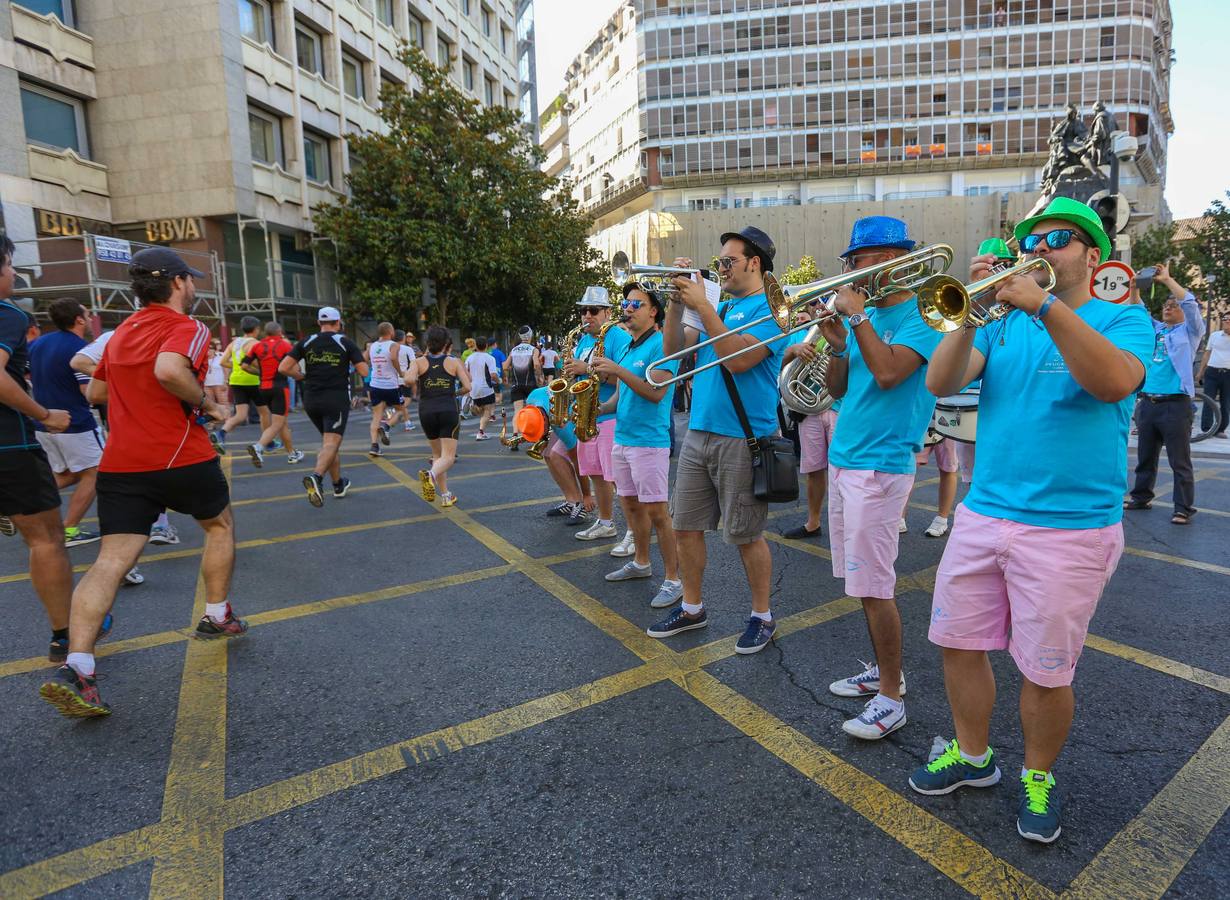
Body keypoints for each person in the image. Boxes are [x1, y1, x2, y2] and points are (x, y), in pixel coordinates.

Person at [909, 196, 1153, 844]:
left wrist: (1044, 307)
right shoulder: (1001, 322)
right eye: (1032, 239)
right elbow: (940, 381)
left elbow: (1113, 382)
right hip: (985, 512)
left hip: (1071, 527)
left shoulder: (1123, 319)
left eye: (1059, 239)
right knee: (958, 643)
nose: (1041, 247)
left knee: (1046, 669)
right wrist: (970, 315)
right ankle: (972, 754)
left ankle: (1038, 776)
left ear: (1092, 255)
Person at [39, 247, 249, 718]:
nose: (194, 288)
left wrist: (136, 393)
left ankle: (78, 666)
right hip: (180, 454)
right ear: (176, 283)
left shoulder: (120, 333)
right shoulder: (186, 327)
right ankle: (217, 616)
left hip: (122, 461)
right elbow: (169, 370)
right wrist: (208, 407)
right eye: (190, 281)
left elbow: (95, 391)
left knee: (110, 560)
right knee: (219, 527)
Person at [817, 216, 943, 739]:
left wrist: (859, 320)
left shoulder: (925, 315)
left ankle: (892, 694)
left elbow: (892, 373)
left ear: (897, 261)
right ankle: (881, 672)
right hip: (847, 456)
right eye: (854, 262)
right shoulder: (857, 321)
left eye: (861, 262)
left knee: (876, 585)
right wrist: (837, 343)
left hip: (882, 464)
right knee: (859, 582)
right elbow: (837, 389)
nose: (853, 272)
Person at [648, 225, 786, 654]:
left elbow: (742, 359)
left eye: (728, 261)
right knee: (685, 526)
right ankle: (692, 607)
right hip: (700, 433)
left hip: (743, 437)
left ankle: (762, 616)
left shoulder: (774, 309)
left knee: (746, 535)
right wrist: (675, 305)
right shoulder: (720, 304)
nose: (721, 268)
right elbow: (672, 353)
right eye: (720, 261)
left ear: (754, 263)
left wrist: (705, 307)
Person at [0, 237, 82, 664]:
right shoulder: (7, 314)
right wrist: (43, 414)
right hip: (9, 444)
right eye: (11, 265)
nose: (13, 274)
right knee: (47, 539)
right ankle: (65, 636)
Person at [590, 284, 682, 609]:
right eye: (626, 303)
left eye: (636, 304)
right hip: (624, 439)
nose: (627, 309)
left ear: (654, 310)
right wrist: (595, 410)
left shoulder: (663, 345)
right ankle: (641, 563)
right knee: (629, 506)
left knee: (658, 513)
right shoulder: (629, 347)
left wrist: (616, 369)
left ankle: (674, 579)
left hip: (649, 443)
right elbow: (621, 396)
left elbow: (655, 392)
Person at [71, 329, 176, 550]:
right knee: (158, 472)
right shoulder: (170, 331)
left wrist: (116, 380)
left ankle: (131, 554)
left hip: (122, 424)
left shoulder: (116, 334)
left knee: (128, 483)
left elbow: (80, 364)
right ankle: (159, 525)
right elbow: (79, 363)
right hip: (152, 419)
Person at [1125, 262, 1205, 524]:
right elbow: (1137, 312)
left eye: (1174, 306)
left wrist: (1168, 280)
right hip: (1148, 402)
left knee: (1179, 460)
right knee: (1145, 456)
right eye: (1166, 306)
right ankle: (1141, 497)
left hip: (1176, 404)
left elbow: (1191, 305)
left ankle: (1183, 508)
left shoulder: (1191, 332)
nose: (1168, 308)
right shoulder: (1156, 329)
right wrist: (1135, 288)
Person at [29, 298, 104, 547]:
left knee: (67, 473)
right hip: (75, 423)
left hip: (44, 422)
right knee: (96, 473)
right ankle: (69, 530)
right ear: (79, 319)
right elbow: (87, 391)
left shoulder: (39, 343)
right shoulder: (80, 350)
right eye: (88, 312)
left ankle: (17, 500)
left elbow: (25, 374)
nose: (91, 318)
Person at [564, 288, 632, 541]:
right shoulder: (583, 340)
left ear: (607, 312)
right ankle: (606, 522)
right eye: (583, 311)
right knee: (596, 474)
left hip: (609, 416)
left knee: (618, 479)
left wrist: (587, 370)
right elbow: (581, 372)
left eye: (593, 311)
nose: (587, 316)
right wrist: (572, 372)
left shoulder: (617, 338)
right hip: (587, 416)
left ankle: (635, 532)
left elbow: (626, 380)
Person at [780, 300, 837, 541]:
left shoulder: (843, 329)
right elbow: (781, 368)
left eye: (820, 302)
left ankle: (841, 524)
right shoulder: (801, 335)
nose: (817, 307)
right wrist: (792, 351)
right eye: (813, 303)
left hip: (839, 407)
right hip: (809, 407)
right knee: (813, 469)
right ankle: (813, 522)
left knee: (840, 471)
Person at [405, 324, 471, 507]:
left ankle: (445, 495)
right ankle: (430, 476)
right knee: (448, 457)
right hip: (448, 410)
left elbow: (408, 380)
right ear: (446, 343)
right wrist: (453, 393)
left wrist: (413, 376)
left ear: (428, 343)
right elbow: (468, 387)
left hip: (426, 411)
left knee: (437, 455)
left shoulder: (418, 362)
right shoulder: (453, 362)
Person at [242, 322, 303, 466]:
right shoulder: (285, 345)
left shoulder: (257, 346)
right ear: (280, 331)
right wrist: (299, 376)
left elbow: (244, 365)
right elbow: (295, 366)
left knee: (282, 423)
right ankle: (259, 447)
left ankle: (292, 453)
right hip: (280, 387)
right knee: (278, 423)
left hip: (263, 387)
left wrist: (260, 373)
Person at [218, 316, 262, 447]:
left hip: (236, 380)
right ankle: (268, 442)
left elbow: (223, 362)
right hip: (252, 380)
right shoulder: (255, 343)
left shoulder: (234, 343)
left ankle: (220, 433)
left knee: (241, 415)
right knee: (265, 413)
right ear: (257, 329)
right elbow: (258, 364)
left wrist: (237, 366)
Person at [364, 322, 403, 457]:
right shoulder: (394, 345)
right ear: (391, 332)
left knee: (376, 416)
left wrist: (373, 364)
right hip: (390, 385)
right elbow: (393, 357)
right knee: (400, 411)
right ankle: (386, 426)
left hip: (375, 384)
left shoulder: (372, 346)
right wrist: (400, 372)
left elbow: (364, 358)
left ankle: (374, 446)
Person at [909, 436, 959, 537]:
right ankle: (899, 517)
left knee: (948, 467)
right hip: (924, 422)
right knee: (909, 465)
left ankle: (942, 519)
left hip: (949, 424)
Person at [504, 326, 543, 444]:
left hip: (517, 385)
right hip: (530, 384)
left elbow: (505, 366)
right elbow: (536, 365)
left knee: (517, 411)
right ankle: (534, 436)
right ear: (530, 336)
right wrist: (539, 376)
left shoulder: (514, 350)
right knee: (534, 410)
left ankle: (515, 436)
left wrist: (506, 378)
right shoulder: (533, 349)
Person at [1197, 315, 1230, 439]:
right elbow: (1207, 353)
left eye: (1229, 319)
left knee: (1225, 403)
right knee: (1208, 401)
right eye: (1225, 319)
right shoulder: (1215, 335)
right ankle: (1207, 429)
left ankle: (1220, 429)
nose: (1226, 321)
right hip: (1212, 372)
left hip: (1228, 374)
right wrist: (1200, 371)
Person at [464, 335, 499, 440]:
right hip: (486, 388)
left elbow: (465, 373)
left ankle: (474, 407)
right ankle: (481, 432)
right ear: (487, 346)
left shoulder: (469, 358)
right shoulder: (489, 358)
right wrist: (498, 381)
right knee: (488, 410)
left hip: (473, 388)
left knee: (482, 408)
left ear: (476, 346)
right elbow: (493, 375)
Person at [204, 337, 228, 406]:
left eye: (211, 348)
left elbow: (226, 370)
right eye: (207, 348)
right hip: (207, 385)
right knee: (211, 405)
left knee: (223, 404)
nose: (209, 350)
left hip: (219, 384)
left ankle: (226, 417)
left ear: (214, 350)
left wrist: (225, 382)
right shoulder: (203, 359)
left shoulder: (221, 356)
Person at [488, 338, 507, 404]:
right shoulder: (499, 353)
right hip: (497, 376)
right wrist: (505, 376)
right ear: (495, 344)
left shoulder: (486, 353)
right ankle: (499, 405)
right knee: (499, 392)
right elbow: (504, 365)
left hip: (487, 377)